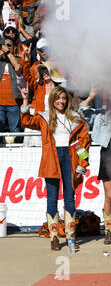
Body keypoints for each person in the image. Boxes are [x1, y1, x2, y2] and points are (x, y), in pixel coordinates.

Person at [20, 85, 90, 251]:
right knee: (51, 199)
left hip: (70, 158)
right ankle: (54, 238)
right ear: (53, 100)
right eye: (58, 98)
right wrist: (24, 100)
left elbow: (84, 143)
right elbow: (25, 121)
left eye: (64, 98)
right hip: (51, 159)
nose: (61, 101)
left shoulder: (75, 118)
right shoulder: (44, 118)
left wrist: (82, 165)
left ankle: (71, 237)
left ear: (67, 101)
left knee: (69, 198)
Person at [79, 87, 111, 245]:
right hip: (108, 154)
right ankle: (108, 230)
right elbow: (83, 114)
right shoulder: (102, 113)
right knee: (109, 195)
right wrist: (91, 97)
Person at [0, 33, 23, 141]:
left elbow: (18, 67)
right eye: (4, 45)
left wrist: (8, 52)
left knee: (16, 132)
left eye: (9, 45)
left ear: (14, 48)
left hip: (14, 104)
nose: (6, 47)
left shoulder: (18, 58)